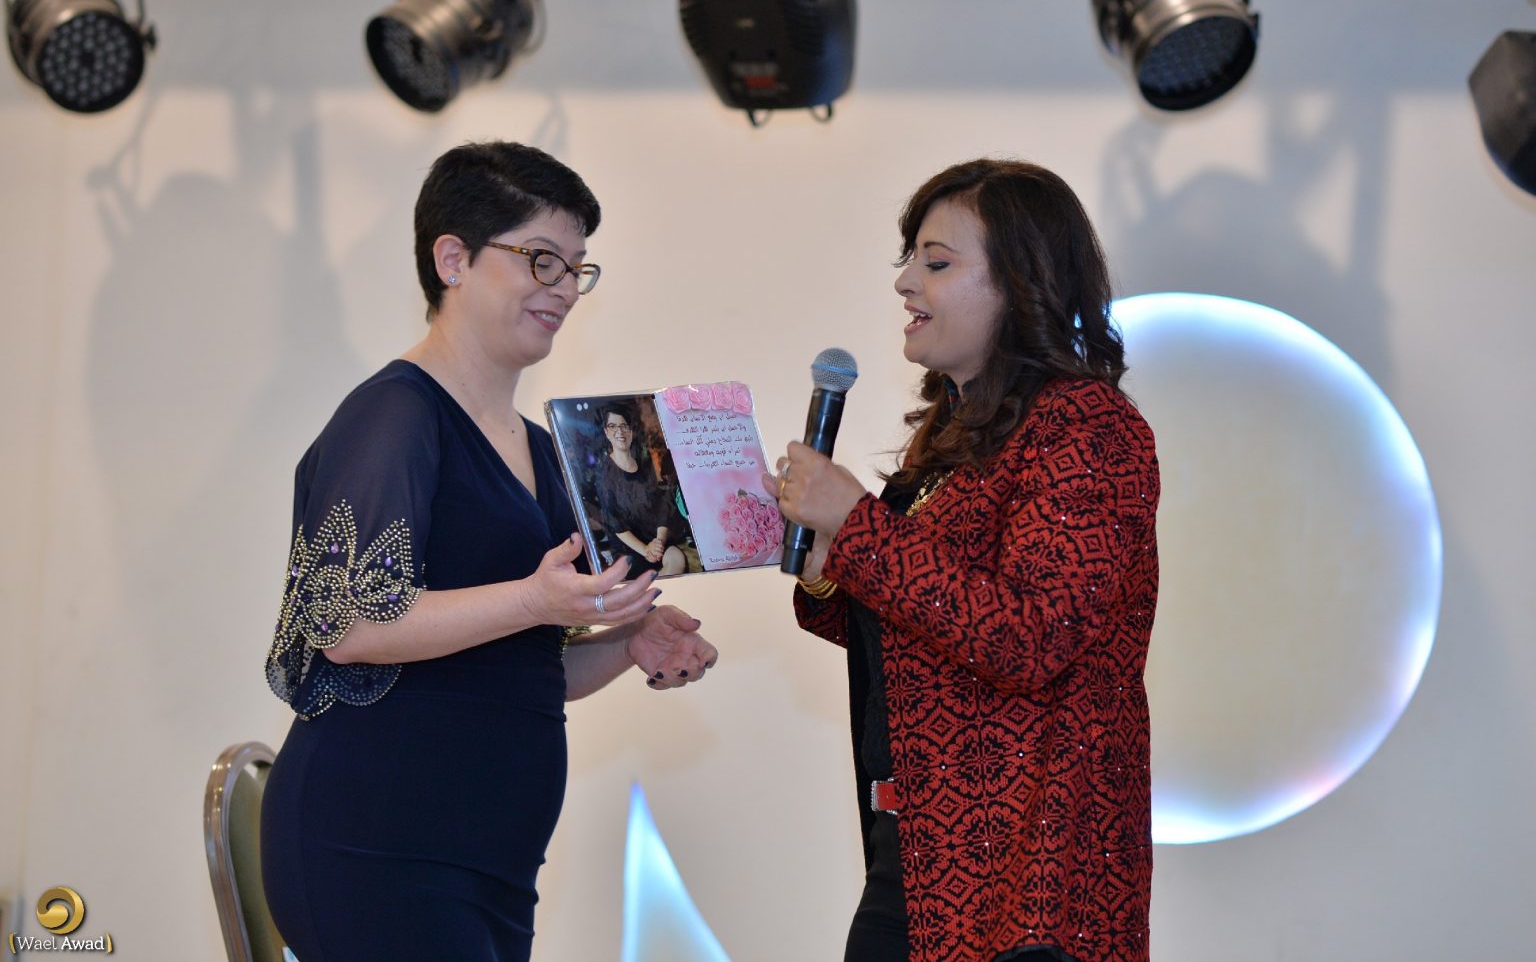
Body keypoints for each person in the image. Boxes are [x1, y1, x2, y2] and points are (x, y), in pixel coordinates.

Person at [260, 141, 718, 962]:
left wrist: (625, 643)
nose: (564, 289)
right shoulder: (395, 415)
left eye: (576, 268)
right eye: (541, 260)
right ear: (453, 261)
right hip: (378, 846)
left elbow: (517, 670)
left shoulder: (538, 448)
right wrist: (536, 600)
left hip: (488, 861)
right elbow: (348, 626)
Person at [766, 159, 1159, 962]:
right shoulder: (954, 440)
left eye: (937, 263)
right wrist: (825, 562)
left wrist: (859, 524)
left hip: (1030, 877)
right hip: (917, 856)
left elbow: (1033, 637)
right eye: (909, 259)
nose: (906, 283)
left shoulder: (1088, 427)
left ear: (1020, 281)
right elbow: (923, 626)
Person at [595, 402, 690, 578]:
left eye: (624, 425)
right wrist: (645, 549)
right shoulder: (604, 475)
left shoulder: (645, 464)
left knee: (677, 559)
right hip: (629, 549)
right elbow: (615, 522)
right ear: (606, 432)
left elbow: (662, 506)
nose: (620, 431)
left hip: (656, 541)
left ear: (631, 431)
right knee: (644, 578)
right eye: (613, 426)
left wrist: (658, 542)